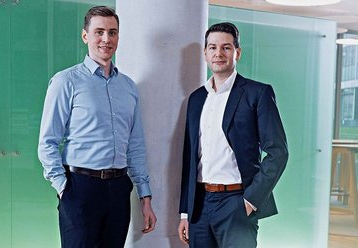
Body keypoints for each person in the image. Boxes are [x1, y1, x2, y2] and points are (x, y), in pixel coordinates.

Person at [38, 6, 156, 248]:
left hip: (119, 188)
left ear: (118, 37)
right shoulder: (65, 82)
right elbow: (47, 142)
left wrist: (145, 196)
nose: (106, 39)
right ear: (85, 36)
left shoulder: (128, 87)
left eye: (112, 33)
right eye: (99, 32)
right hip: (80, 188)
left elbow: (135, 146)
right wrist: (64, 189)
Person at [178, 22, 288, 248]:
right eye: (212, 47)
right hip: (199, 206)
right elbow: (190, 157)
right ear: (205, 53)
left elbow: (278, 152)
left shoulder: (257, 93)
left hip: (236, 202)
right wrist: (184, 213)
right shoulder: (197, 98)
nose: (218, 53)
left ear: (237, 52)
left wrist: (250, 201)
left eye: (226, 48)